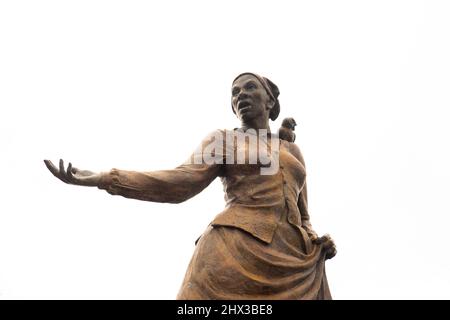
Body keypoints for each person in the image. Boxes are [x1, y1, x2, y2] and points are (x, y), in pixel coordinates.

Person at [44, 72, 336, 299]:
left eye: (249, 88)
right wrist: (106, 178)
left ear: (269, 101)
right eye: (234, 93)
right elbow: (180, 182)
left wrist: (315, 238)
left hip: (295, 260)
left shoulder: (292, 150)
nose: (240, 95)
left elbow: (302, 211)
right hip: (234, 249)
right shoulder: (223, 140)